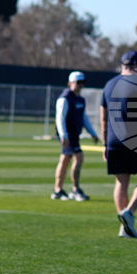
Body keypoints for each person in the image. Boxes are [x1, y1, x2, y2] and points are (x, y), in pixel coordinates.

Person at [100, 51, 137, 239]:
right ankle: (130, 213)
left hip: (113, 141)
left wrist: (104, 144)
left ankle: (124, 227)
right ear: (136, 65)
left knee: (121, 182)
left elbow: (102, 117)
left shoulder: (109, 85)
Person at [52, 71, 100, 201]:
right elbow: (60, 118)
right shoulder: (65, 98)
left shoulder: (80, 99)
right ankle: (75, 189)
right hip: (68, 135)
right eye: (78, 83)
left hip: (74, 134)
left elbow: (84, 118)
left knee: (65, 160)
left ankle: (57, 190)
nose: (81, 85)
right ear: (70, 83)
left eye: (82, 83)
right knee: (79, 158)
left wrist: (93, 133)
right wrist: (63, 135)